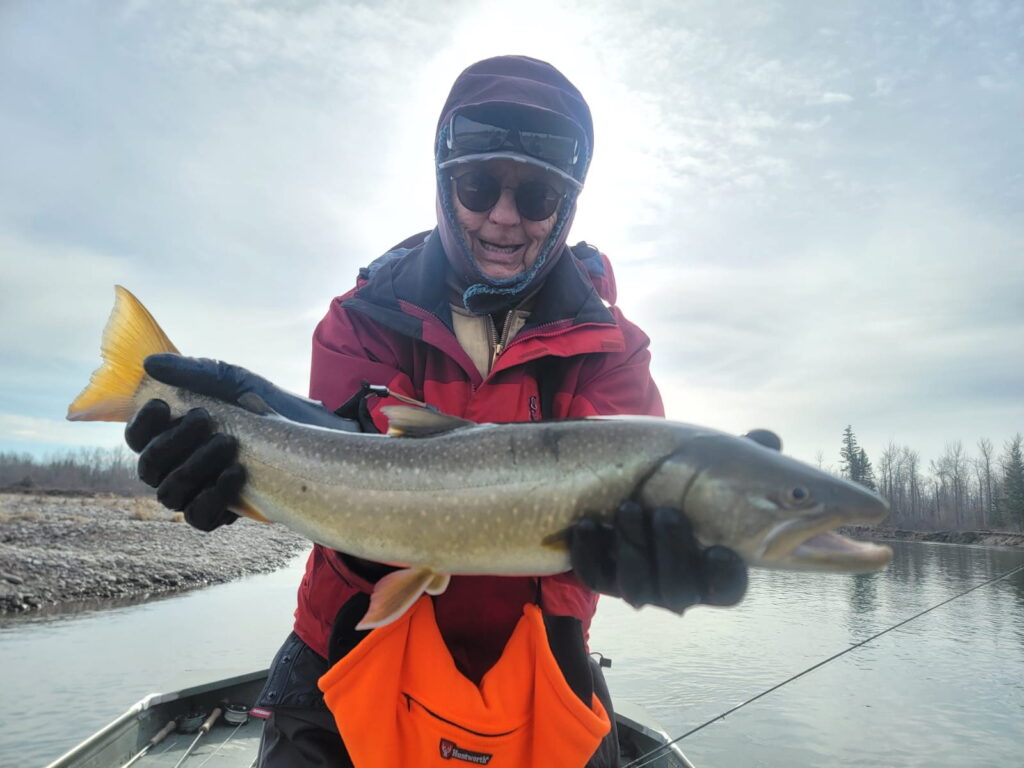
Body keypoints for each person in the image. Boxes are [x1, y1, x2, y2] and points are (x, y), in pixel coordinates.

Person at [125, 55, 748, 767]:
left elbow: (627, 507)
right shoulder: (362, 316)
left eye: (537, 195)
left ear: (567, 205)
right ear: (444, 185)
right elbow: (341, 460)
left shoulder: (614, 350)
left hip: (540, 658)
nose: (504, 217)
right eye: (479, 186)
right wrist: (242, 462)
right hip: (351, 638)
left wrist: (662, 550)